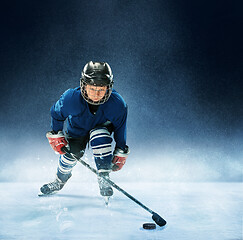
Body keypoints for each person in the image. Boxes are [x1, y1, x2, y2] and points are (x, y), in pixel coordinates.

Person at [40, 61, 129, 199]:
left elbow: (120, 128)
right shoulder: (71, 98)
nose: (96, 94)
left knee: (99, 135)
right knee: (72, 153)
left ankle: (104, 178)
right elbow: (56, 113)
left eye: (101, 88)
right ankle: (59, 180)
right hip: (77, 130)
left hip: (101, 128)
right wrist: (56, 133)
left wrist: (120, 149)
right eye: (92, 88)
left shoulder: (118, 104)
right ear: (83, 85)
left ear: (109, 87)